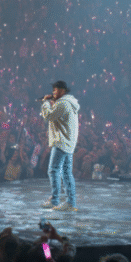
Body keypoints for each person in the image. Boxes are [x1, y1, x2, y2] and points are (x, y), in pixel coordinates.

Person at [40, 80, 80, 211]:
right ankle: (70, 203)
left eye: (55, 90)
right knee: (66, 172)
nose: (53, 93)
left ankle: (55, 200)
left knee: (53, 170)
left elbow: (49, 116)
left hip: (61, 141)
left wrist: (45, 103)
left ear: (62, 91)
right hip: (68, 142)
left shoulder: (63, 103)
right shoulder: (69, 103)